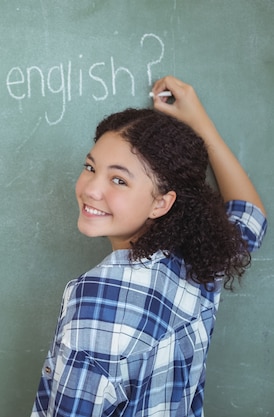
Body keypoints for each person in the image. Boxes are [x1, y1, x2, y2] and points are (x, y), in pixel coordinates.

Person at [30, 75, 267, 416]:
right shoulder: (197, 261)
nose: (90, 189)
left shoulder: (99, 302)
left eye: (118, 180)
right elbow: (251, 218)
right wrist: (201, 125)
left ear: (161, 203)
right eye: (90, 167)